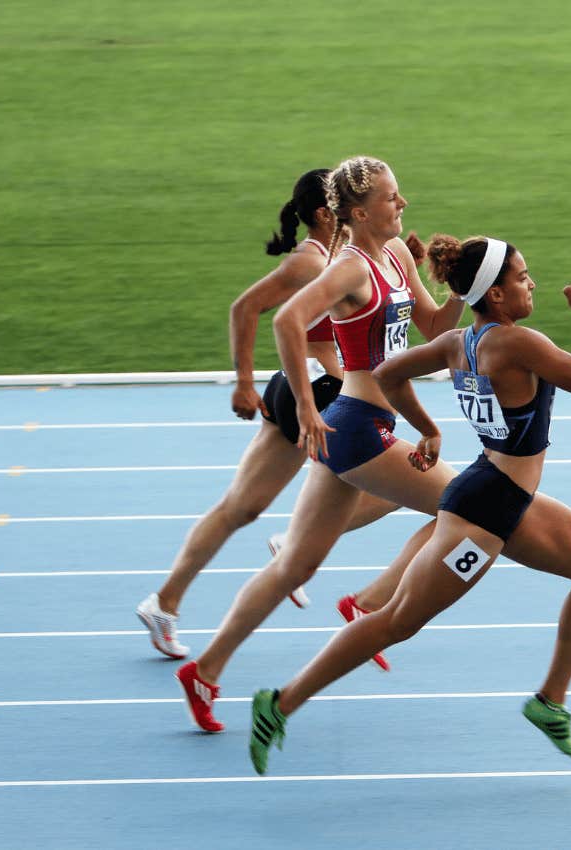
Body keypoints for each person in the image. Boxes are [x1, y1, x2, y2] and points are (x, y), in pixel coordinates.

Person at [247, 232, 571, 774]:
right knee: (397, 621)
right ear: (494, 294)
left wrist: (429, 431)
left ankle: (550, 703)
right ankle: (280, 704)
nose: (531, 284)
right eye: (521, 277)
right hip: (483, 516)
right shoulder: (519, 344)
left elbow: (386, 373)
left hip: (499, 492)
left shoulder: (459, 345)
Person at [174, 156, 467, 732]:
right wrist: (306, 404)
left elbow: (432, 328)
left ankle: (205, 670)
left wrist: (464, 286)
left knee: (295, 569)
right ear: (358, 212)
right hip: (356, 427)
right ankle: (373, 604)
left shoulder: (399, 256)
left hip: (353, 428)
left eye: (400, 193)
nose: (402, 204)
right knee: (467, 503)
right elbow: (286, 321)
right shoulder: (349, 269)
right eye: (390, 197)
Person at [136, 168, 401, 660]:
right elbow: (246, 308)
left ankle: (164, 602)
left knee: (241, 506)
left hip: (296, 387)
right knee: (405, 486)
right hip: (322, 395)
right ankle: (294, 540)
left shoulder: (350, 257)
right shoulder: (313, 261)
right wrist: (241, 381)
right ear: (327, 214)